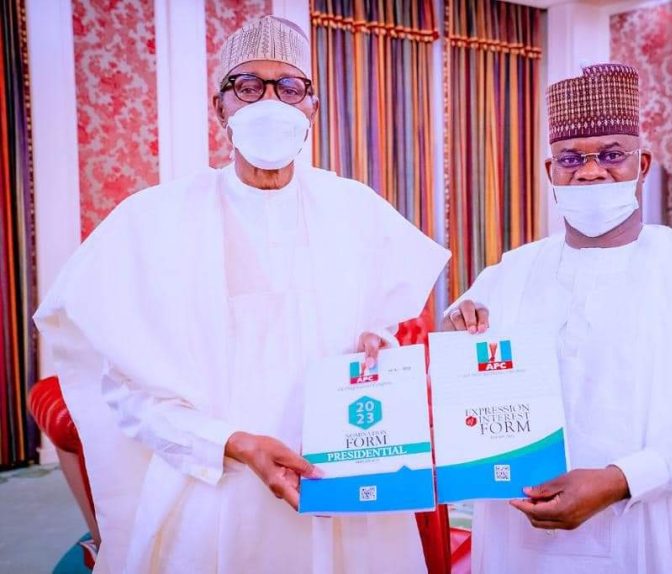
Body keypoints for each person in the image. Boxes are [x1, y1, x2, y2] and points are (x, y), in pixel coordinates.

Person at [35, 16, 449, 574]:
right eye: (249, 86)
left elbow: (382, 331)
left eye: (290, 87)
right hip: (212, 494)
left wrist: (379, 344)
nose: (270, 102)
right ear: (220, 107)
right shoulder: (154, 222)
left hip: (345, 492)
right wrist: (231, 442)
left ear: (312, 107)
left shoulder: (356, 211)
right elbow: (127, 393)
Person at [443, 63, 672, 573]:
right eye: (570, 158)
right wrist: (456, 342)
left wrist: (621, 480)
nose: (590, 171)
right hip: (522, 540)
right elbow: (466, 393)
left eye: (611, 155)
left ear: (642, 164)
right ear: (550, 171)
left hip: (657, 537)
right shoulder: (509, 274)